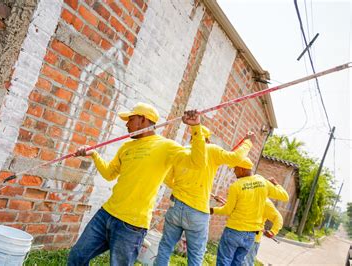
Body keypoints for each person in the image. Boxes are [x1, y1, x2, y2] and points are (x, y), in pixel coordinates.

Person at [67, 102, 207, 265]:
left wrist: (196, 127)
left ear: (143, 120)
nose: (127, 124)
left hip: (132, 226)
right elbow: (109, 174)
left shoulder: (166, 146)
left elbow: (198, 163)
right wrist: (94, 155)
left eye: (130, 119)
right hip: (106, 214)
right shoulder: (126, 147)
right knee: (77, 256)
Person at [155, 128, 255, 266]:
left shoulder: (181, 151)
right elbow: (236, 158)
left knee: (165, 246)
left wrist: (182, 188)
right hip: (197, 212)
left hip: (176, 206)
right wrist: (248, 142)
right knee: (196, 254)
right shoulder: (211, 150)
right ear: (207, 139)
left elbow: (168, 179)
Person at [210, 158, 289, 266]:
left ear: (242, 169)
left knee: (224, 262)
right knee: (237, 263)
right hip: (250, 236)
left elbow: (228, 210)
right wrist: (276, 184)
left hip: (234, 231)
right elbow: (285, 196)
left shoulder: (236, 186)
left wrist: (212, 210)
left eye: (235, 168)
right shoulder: (263, 182)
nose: (234, 171)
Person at [242, 198, 283, 266]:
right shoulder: (248, 195)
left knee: (246, 263)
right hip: (239, 234)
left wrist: (273, 232)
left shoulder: (265, 202)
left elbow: (278, 218)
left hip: (253, 239)